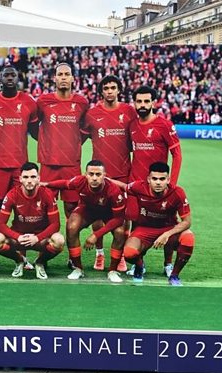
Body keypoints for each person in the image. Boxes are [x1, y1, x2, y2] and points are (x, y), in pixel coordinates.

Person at [0, 66, 39, 269]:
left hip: (20, 168)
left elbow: (37, 133)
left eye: (13, 75)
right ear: (0, 79)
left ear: (18, 78)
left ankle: (22, 256)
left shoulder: (29, 102)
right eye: (6, 75)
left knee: (22, 213)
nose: (10, 78)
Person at [82, 75, 137, 272]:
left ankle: (119, 255)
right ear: (101, 92)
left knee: (123, 217)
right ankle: (99, 254)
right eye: (106, 88)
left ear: (119, 90)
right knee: (97, 217)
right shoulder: (92, 114)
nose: (110, 91)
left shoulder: (129, 111)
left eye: (113, 87)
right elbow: (78, 139)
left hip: (123, 173)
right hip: (99, 176)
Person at [129, 85, 183, 274]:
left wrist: (172, 184)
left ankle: (168, 264)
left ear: (153, 102)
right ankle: (138, 264)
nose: (142, 105)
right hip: (138, 186)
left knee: (168, 223)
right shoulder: (132, 125)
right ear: (134, 103)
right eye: (139, 101)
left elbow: (177, 155)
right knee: (136, 223)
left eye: (146, 101)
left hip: (160, 187)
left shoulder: (164, 125)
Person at [44, 160, 126, 282]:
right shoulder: (80, 181)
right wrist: (45, 184)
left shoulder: (113, 191)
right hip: (87, 210)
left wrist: (95, 235)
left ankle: (112, 271)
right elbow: (65, 184)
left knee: (120, 232)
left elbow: (119, 219)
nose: (94, 178)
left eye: (98, 174)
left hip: (108, 213)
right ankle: (78, 268)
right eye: (91, 174)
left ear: (104, 175)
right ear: (86, 174)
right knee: (71, 227)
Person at [121, 162, 194, 286]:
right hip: (144, 229)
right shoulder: (139, 187)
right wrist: (104, 179)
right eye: (154, 179)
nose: (158, 182)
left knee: (188, 237)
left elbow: (187, 222)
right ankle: (139, 266)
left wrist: (167, 234)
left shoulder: (177, 192)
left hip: (169, 228)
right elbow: (123, 186)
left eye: (162, 179)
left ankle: (174, 276)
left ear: (168, 180)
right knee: (129, 253)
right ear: (148, 179)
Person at [0, 162, 64, 280]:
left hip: (40, 239)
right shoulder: (12, 195)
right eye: (25, 177)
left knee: (59, 240)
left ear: (38, 179)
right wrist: (17, 236)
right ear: (20, 179)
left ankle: (40, 262)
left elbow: (55, 224)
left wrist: (37, 238)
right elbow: (0, 224)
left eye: (33, 177)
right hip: (19, 238)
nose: (29, 181)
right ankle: (20, 260)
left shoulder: (47, 194)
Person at [35, 63, 88, 219]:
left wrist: (73, 144)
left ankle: (70, 236)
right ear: (54, 78)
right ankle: (48, 235)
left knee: (72, 207)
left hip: (71, 163)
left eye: (67, 74)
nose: (63, 77)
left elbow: (85, 130)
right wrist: (46, 144)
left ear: (72, 78)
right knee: (44, 205)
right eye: (60, 74)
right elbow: (32, 124)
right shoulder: (43, 101)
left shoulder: (82, 103)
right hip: (48, 163)